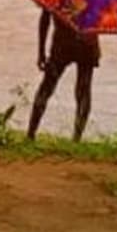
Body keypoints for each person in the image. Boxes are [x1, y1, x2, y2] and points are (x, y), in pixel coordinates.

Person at [26, 10, 100, 142]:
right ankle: (76, 139)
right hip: (87, 41)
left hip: (62, 41)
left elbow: (45, 16)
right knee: (83, 90)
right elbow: (102, 14)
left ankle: (31, 134)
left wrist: (41, 52)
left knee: (47, 87)